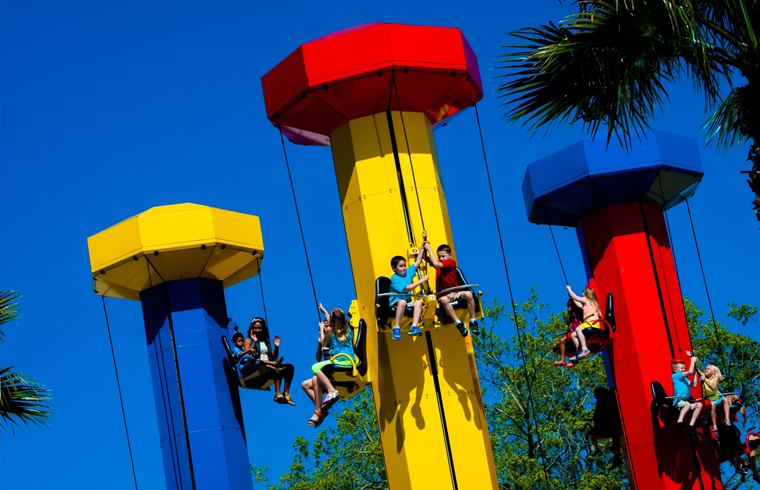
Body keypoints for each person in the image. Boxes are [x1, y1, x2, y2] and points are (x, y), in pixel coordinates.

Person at [303, 307, 355, 427]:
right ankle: (320, 410)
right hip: (347, 360)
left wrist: (322, 329)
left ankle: (331, 391)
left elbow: (324, 345)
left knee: (315, 367)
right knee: (305, 384)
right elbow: (334, 320)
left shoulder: (330, 330)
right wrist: (324, 311)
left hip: (340, 361)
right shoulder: (347, 328)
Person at [421, 231, 477, 336]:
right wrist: (424, 241)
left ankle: (473, 320)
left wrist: (429, 249)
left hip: (455, 293)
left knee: (469, 294)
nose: (441, 259)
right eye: (439, 257)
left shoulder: (451, 263)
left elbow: (436, 264)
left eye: (443, 256)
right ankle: (458, 322)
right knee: (443, 300)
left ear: (450, 255)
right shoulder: (439, 264)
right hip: (444, 295)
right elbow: (425, 258)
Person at [247, 318, 295, 406]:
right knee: (278, 369)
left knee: (290, 367)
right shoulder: (248, 340)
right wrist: (254, 342)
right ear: (251, 329)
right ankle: (277, 394)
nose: (257, 330)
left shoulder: (265, 342)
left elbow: (274, 357)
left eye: (260, 328)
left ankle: (286, 393)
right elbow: (248, 355)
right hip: (257, 366)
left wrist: (276, 346)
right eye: (255, 328)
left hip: (268, 366)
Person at [388, 250, 429, 341]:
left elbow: (418, 262)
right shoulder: (394, 277)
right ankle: (396, 327)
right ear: (394, 268)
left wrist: (422, 247)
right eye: (401, 266)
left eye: (404, 266)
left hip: (408, 302)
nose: (404, 268)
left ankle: (414, 327)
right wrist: (422, 280)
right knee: (402, 303)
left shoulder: (407, 272)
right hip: (396, 302)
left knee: (418, 303)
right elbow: (408, 288)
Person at [566, 281, 602, 361]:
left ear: (587, 296)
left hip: (592, 323)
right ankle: (579, 352)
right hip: (588, 324)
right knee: (573, 335)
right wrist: (572, 297)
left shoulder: (588, 300)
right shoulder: (586, 304)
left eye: (583, 297)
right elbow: (578, 303)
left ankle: (584, 348)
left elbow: (575, 297)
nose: (582, 298)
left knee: (578, 329)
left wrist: (569, 290)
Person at [671, 352, 703, 434]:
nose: (684, 370)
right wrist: (692, 362)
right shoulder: (676, 375)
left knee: (699, 405)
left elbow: (694, 384)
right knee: (687, 405)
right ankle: (679, 422)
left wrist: (695, 372)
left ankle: (691, 425)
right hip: (679, 401)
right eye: (682, 368)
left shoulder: (685, 379)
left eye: (684, 368)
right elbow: (689, 372)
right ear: (675, 370)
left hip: (686, 401)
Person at [698, 364, 731, 432]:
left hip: (717, 399)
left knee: (726, 399)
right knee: (712, 406)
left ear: (714, 372)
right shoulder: (704, 377)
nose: (705, 370)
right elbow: (697, 370)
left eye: (708, 369)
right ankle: (714, 425)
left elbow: (713, 388)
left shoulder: (715, 378)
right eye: (705, 369)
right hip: (710, 400)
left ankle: (727, 419)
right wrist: (693, 359)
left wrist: (705, 381)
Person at [554, 299, 584, 368]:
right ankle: (563, 360)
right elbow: (568, 323)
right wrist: (569, 313)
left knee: (571, 340)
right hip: (572, 330)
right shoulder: (571, 315)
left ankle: (575, 359)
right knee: (562, 340)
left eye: (570, 306)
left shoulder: (579, 313)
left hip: (578, 330)